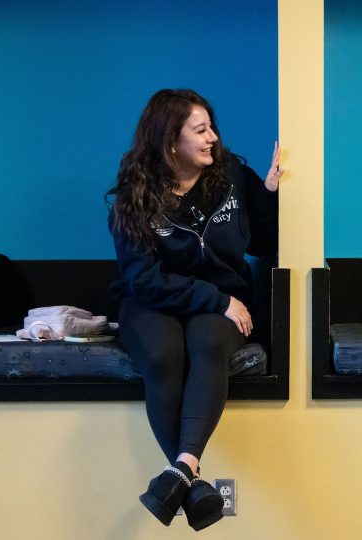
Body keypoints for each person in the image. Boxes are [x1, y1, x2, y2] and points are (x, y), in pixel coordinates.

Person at [107, 89, 282, 530]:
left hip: (221, 302)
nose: (213, 139)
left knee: (206, 343)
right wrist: (216, 300)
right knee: (165, 356)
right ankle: (193, 482)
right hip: (153, 301)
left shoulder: (231, 177)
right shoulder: (136, 196)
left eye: (212, 128)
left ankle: (180, 474)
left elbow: (259, 242)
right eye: (200, 130)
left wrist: (269, 193)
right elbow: (143, 280)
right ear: (170, 142)